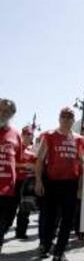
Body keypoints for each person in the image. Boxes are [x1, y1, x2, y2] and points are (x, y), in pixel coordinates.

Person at [34, 107, 84, 261]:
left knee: (68, 219)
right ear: (59, 118)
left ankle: (59, 251)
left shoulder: (79, 139)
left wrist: (81, 186)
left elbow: (82, 162)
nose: (67, 119)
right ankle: (46, 245)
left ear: (73, 120)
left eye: (70, 117)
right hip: (52, 182)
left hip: (71, 183)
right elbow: (40, 161)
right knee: (50, 218)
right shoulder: (49, 136)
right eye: (64, 116)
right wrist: (38, 181)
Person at [0, 99, 22, 254]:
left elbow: (18, 161)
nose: (2, 114)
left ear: (12, 115)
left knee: (3, 226)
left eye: (6, 112)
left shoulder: (16, 135)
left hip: (8, 192)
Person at [12, 126, 37, 240]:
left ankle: (20, 232)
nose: (28, 136)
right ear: (22, 135)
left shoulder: (33, 151)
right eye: (26, 134)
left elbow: (37, 166)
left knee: (25, 209)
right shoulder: (16, 148)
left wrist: (34, 168)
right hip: (15, 181)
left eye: (30, 134)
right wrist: (23, 165)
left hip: (28, 183)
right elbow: (10, 163)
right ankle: (5, 226)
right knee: (12, 207)